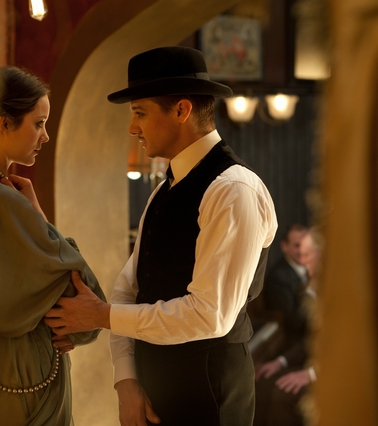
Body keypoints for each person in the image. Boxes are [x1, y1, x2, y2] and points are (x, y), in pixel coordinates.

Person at [44, 46, 278, 426]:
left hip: (210, 397)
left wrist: (102, 316)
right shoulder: (163, 190)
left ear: (182, 110)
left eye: (140, 113)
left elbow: (210, 316)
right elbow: (128, 289)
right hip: (153, 392)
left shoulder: (233, 190)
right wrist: (126, 380)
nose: (132, 128)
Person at [0, 66, 106, 426]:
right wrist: (39, 218)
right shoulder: (2, 201)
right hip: (17, 371)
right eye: (39, 123)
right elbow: (84, 296)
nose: (45, 136)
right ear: (4, 123)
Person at [253, 228, 322, 426]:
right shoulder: (306, 280)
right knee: (261, 382)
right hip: (309, 357)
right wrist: (280, 361)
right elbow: (310, 340)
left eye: (308, 254)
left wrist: (310, 374)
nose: (303, 260)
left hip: (331, 372)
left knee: (280, 394)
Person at [261, 224, 308, 349]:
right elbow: (292, 321)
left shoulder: (311, 268)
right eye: (297, 245)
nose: (302, 250)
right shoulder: (277, 277)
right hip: (292, 343)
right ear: (284, 246)